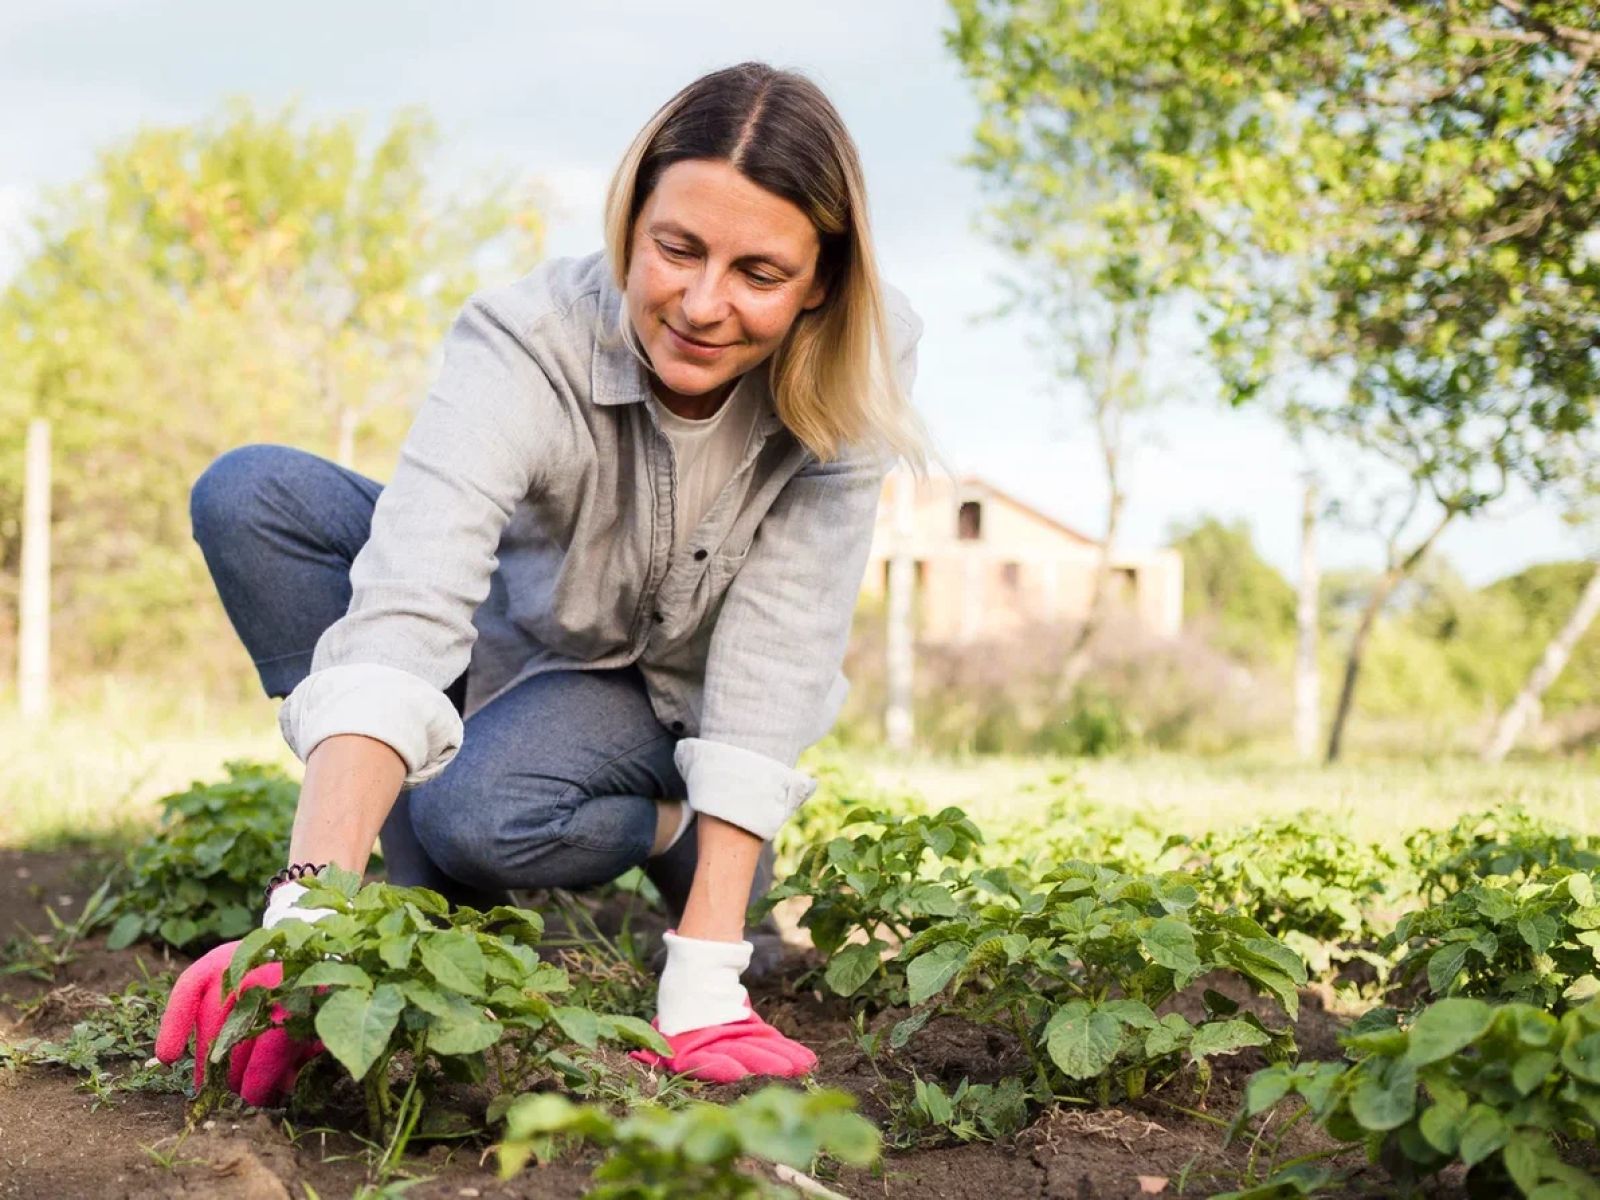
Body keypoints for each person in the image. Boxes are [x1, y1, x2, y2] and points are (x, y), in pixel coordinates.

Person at [154, 60, 928, 1099]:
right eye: (677, 248)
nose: (703, 304)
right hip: (519, 635)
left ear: (821, 280)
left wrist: (703, 974)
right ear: (628, 224)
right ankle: (415, 914)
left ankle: (679, 830)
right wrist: (308, 906)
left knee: (474, 816)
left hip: (660, 696)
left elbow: (778, 650)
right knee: (256, 497)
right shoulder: (528, 337)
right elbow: (411, 594)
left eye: (758, 273)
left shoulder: (854, 370)